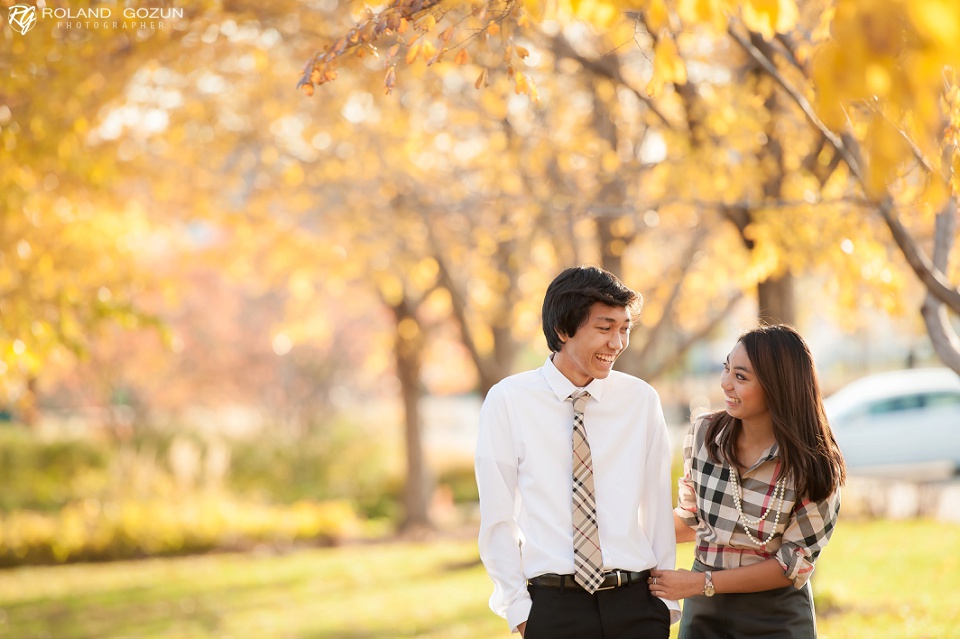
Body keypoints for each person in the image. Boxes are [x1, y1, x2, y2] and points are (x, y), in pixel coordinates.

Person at [475, 265, 680, 638]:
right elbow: (497, 517)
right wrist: (519, 610)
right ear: (562, 330)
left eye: (624, 329)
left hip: (636, 604)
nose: (616, 343)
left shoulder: (640, 401)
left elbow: (656, 505)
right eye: (605, 328)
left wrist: (665, 605)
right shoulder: (508, 401)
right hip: (553, 610)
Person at [648, 324, 846, 638]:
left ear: (777, 387)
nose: (725, 383)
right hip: (704, 613)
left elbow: (792, 565)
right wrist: (620, 533)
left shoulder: (816, 463)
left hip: (775, 617)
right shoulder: (704, 435)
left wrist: (701, 583)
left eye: (741, 377)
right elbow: (691, 520)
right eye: (727, 369)